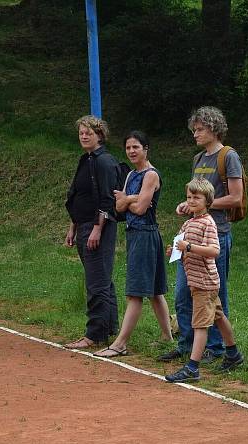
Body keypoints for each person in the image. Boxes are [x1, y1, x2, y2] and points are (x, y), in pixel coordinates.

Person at [158, 106, 244, 370]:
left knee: (215, 294)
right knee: (184, 291)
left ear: (214, 129)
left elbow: (236, 197)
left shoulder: (228, 156)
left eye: (200, 129)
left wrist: (204, 205)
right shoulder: (197, 159)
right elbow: (196, 193)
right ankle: (187, 343)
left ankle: (216, 347)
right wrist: (188, 206)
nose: (195, 134)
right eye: (194, 129)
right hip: (192, 233)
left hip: (216, 232)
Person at [93, 132, 172, 357]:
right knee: (155, 291)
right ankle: (167, 336)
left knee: (135, 293)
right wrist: (129, 200)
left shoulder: (151, 175)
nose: (131, 151)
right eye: (128, 148)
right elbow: (117, 208)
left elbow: (139, 208)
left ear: (146, 148)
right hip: (134, 233)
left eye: (135, 147)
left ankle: (120, 344)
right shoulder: (130, 176)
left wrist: (128, 199)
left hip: (146, 234)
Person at [165, 179, 243, 382]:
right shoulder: (189, 222)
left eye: (196, 197)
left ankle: (192, 367)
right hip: (197, 281)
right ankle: (233, 353)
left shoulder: (208, 223)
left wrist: (189, 247)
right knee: (218, 315)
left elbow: (214, 251)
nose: (191, 201)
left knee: (200, 324)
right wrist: (174, 251)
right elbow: (183, 247)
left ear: (207, 201)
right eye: (189, 197)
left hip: (204, 282)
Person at [63, 115, 120, 349]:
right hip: (83, 224)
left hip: (98, 227)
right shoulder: (86, 160)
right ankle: (109, 328)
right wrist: (73, 226)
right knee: (101, 280)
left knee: (97, 282)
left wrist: (98, 227)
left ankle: (95, 334)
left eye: (89, 133)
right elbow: (79, 195)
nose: (84, 136)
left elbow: (108, 199)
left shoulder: (104, 162)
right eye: (81, 133)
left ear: (100, 135)